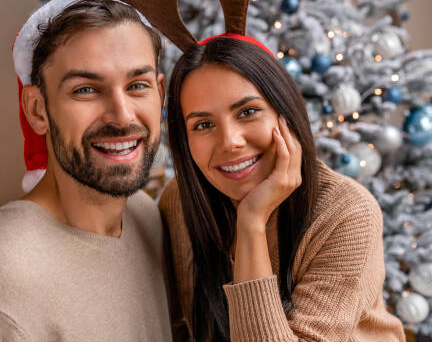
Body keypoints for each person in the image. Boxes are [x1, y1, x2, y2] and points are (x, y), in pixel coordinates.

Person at [0, 0, 172, 341]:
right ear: (36, 109)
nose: (122, 116)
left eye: (137, 85)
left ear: (160, 93)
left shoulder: (143, 216)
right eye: (86, 90)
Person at [159, 35, 406, 342]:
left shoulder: (347, 213)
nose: (230, 141)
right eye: (203, 125)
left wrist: (251, 222)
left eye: (248, 112)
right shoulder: (179, 202)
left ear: (284, 112)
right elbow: (179, 328)